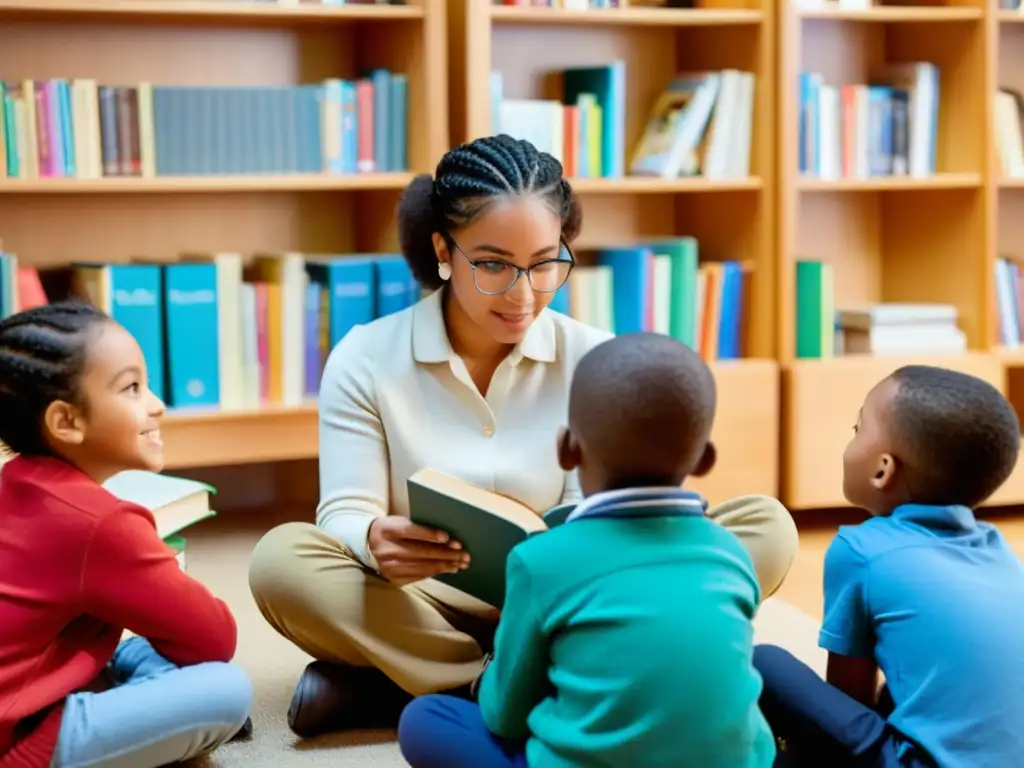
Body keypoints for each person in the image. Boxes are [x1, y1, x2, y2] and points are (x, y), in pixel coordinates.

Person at [247, 133, 800, 738]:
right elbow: (345, 511)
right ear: (442, 250)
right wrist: (373, 538)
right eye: (493, 265)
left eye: (544, 264)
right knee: (282, 563)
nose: (522, 294)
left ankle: (397, 687)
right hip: (429, 601)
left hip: (578, 597)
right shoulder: (366, 357)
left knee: (764, 525)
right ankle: (518, 684)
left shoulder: (592, 357)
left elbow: (589, 510)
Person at [397, 332, 777, 768]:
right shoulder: (732, 552)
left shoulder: (540, 560)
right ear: (705, 460)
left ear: (567, 448)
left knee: (425, 719)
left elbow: (504, 717)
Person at [0, 302, 253, 768]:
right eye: (132, 388)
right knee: (226, 688)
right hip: (20, 743)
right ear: (66, 422)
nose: (157, 405)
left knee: (135, 650)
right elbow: (214, 639)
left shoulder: (15, 480)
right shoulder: (102, 523)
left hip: (30, 686)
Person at [753, 365, 1024, 768]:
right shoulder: (1000, 550)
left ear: (882, 470)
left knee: (765, 662)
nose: (850, 438)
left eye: (856, 428)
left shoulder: (861, 551)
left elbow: (848, 700)